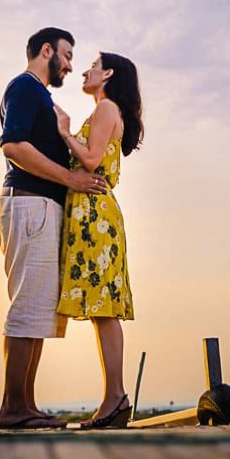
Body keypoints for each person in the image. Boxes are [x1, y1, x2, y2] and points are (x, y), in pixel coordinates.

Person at [0, 28, 108, 429]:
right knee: (27, 306)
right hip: (30, 204)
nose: (71, 64)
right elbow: (13, 146)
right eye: (67, 54)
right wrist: (70, 179)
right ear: (47, 50)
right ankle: (12, 409)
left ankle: (24, 406)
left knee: (38, 310)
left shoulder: (40, 95)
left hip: (38, 208)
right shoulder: (25, 88)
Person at [54, 52, 144, 429]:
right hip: (91, 213)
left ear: (107, 73)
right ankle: (114, 398)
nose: (85, 70)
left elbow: (91, 160)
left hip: (96, 215)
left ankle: (116, 397)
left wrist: (63, 132)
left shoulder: (107, 108)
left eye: (93, 64)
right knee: (101, 311)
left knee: (104, 310)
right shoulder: (106, 110)